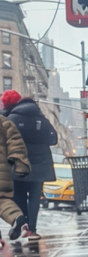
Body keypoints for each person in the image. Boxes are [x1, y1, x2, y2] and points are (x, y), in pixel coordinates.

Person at [1, 90, 58, 241]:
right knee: (34, 197)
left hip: (18, 163)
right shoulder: (41, 118)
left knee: (18, 195)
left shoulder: (11, 118)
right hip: (39, 165)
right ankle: (32, 230)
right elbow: (53, 139)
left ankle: (22, 223)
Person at [0, 113, 31, 243]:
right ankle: (18, 218)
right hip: (2, 171)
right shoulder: (4, 122)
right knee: (2, 200)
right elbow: (16, 143)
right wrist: (20, 165)